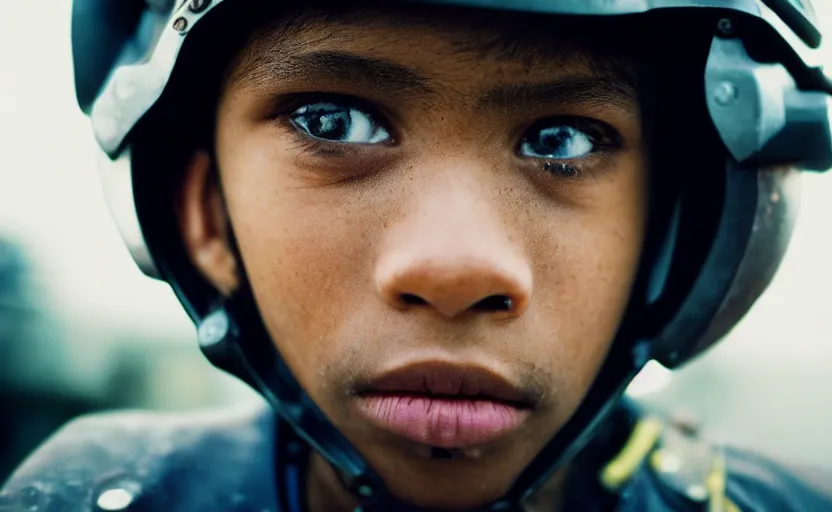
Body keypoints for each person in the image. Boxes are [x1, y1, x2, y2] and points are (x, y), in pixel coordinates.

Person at [2, 0, 832, 510]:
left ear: (677, 224)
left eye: (562, 138)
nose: (455, 269)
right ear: (206, 216)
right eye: (332, 122)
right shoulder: (96, 498)